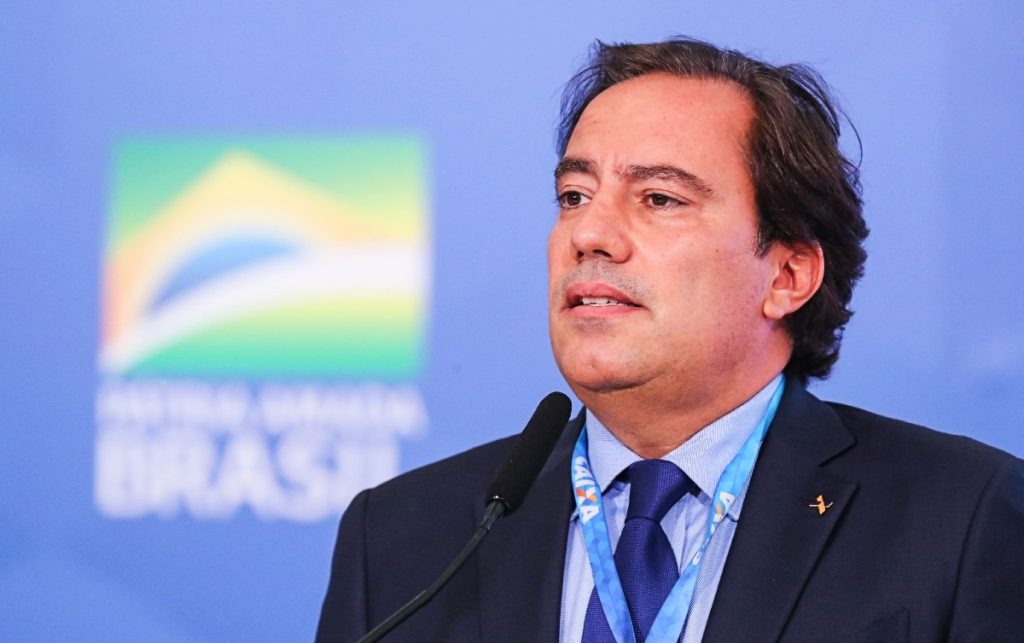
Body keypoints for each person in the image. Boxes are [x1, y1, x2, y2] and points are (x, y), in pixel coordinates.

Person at [316, 37, 1024, 642]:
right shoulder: (404, 538)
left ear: (787, 275)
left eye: (659, 198)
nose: (590, 233)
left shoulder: (958, 520)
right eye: (574, 196)